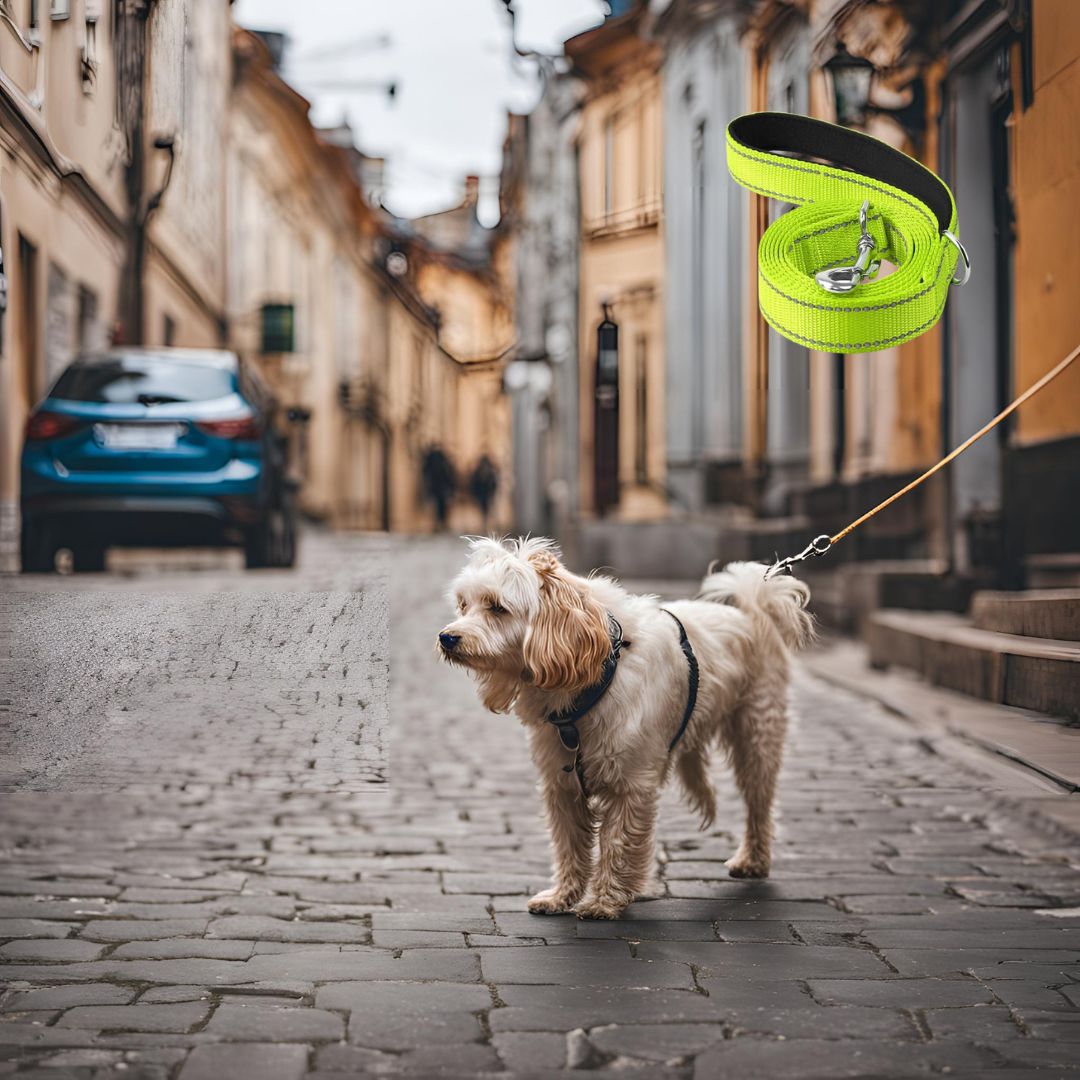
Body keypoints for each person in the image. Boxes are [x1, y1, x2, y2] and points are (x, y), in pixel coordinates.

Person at [421, 444, 456, 531]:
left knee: (439, 507)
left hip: (438, 489)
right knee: (440, 507)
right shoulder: (443, 462)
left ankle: (440, 524)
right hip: (440, 489)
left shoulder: (435, 462)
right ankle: (440, 524)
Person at [469, 454, 499, 532]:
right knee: (484, 510)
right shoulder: (479, 472)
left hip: (487, 495)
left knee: (488, 510)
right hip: (482, 495)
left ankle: (488, 525)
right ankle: (485, 525)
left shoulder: (489, 473)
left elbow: (493, 484)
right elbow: (475, 484)